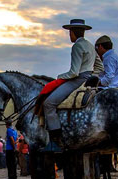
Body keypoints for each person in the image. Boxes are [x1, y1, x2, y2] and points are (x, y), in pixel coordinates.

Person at [43, 19, 104, 151]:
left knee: (48, 104)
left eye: (70, 32)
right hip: (88, 78)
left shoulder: (77, 46)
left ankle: (55, 142)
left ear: (73, 32)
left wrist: (60, 76)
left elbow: (73, 72)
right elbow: (100, 66)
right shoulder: (90, 46)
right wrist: (93, 75)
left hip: (78, 80)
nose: (69, 35)